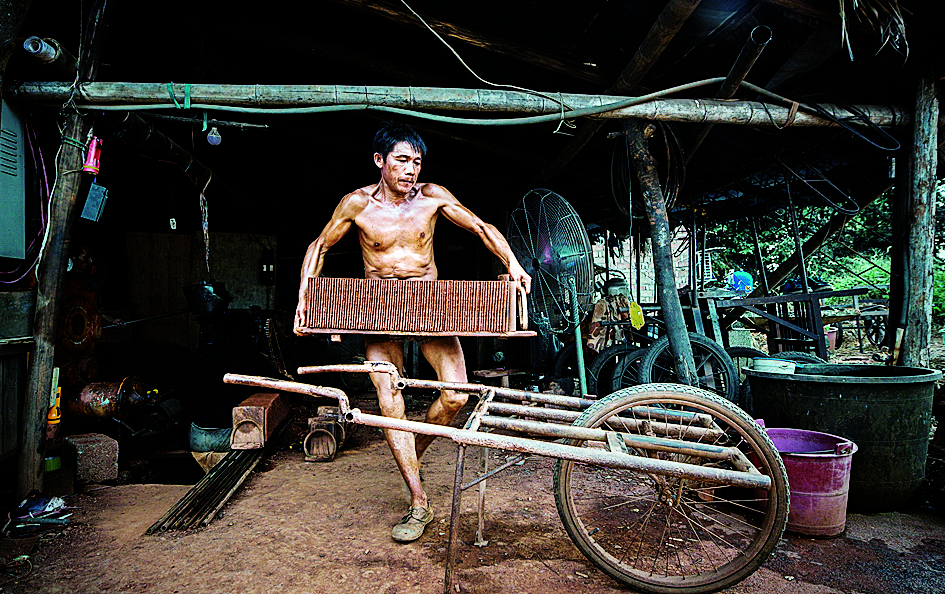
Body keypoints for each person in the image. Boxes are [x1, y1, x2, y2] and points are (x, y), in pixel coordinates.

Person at [294, 122, 531, 542]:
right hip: (378, 309)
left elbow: (480, 227)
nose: (411, 170)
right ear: (379, 161)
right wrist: (304, 297)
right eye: (402, 160)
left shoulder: (432, 197)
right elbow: (320, 246)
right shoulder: (357, 204)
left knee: (456, 395)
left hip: (430, 305)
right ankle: (419, 501)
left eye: (417, 162)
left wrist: (512, 262)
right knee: (389, 399)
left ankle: (410, 454)